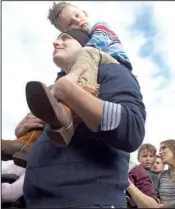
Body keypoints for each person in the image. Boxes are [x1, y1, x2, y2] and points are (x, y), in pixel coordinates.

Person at [21, 29, 146, 208]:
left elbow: (132, 128)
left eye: (66, 39)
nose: (56, 43)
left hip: (90, 202)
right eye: (56, 40)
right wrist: (26, 134)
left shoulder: (111, 70)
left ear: (85, 46)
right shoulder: (50, 91)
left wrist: (70, 93)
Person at [127, 139, 175, 208]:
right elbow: (155, 196)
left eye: (163, 148)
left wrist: (163, 206)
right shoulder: (163, 175)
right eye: (159, 149)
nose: (160, 152)